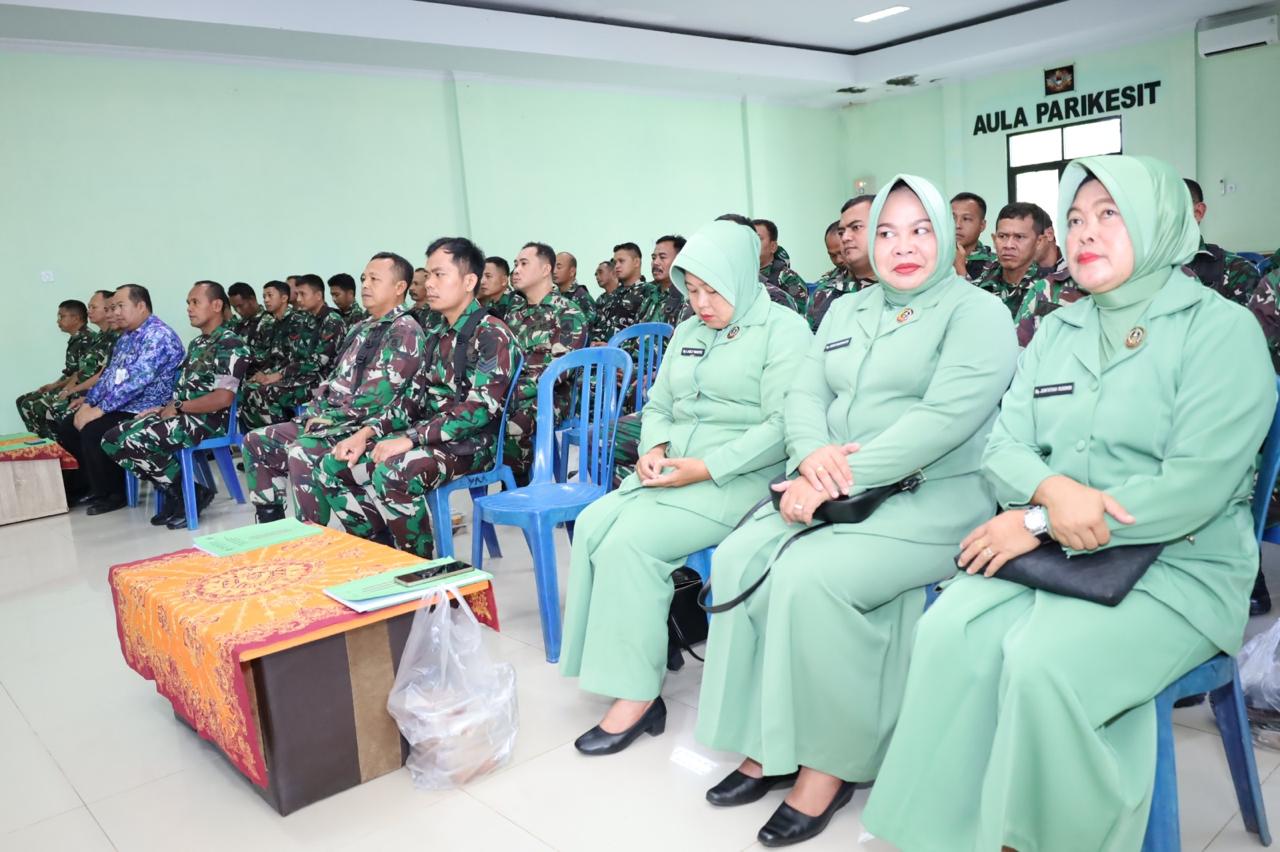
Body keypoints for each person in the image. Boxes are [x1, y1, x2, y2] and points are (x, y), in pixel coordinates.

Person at [861, 155, 1276, 852]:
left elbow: (1194, 488)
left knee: (1044, 662)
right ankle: (951, 833)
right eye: (1076, 218)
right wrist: (1048, 499)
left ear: (1160, 221)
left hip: (1181, 566)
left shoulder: (1221, 331)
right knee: (947, 634)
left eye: (1110, 214)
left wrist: (1035, 516)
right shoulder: (1057, 330)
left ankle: (1039, 837)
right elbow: (1003, 447)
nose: (1086, 231)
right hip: (1054, 554)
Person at [696, 174, 1017, 847]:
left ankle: (831, 763)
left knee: (810, 577)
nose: (903, 246)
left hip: (935, 499)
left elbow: (943, 420)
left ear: (946, 234)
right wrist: (811, 456)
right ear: (867, 241)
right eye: (887, 232)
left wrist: (836, 478)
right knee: (738, 556)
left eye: (920, 229)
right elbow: (804, 396)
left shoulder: (976, 312)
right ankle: (767, 738)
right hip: (834, 487)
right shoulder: (845, 311)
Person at [561, 219, 810, 756]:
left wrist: (707, 467)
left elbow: (783, 425)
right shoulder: (689, 332)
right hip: (676, 468)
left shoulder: (784, 330)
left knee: (632, 541)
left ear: (743, 278)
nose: (700, 303)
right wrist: (652, 449)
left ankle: (637, 696)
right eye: (691, 290)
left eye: (712, 290)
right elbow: (657, 405)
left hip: (739, 478)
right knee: (592, 523)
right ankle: (615, 660)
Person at [316, 238, 516, 557]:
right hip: (432, 437)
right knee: (332, 464)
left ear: (469, 281)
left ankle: (421, 567)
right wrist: (365, 433)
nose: (428, 285)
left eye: (439, 275)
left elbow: (478, 412)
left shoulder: (492, 334)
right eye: (428, 276)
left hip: (475, 442)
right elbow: (410, 401)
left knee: (394, 471)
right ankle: (383, 555)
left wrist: (409, 439)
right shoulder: (436, 333)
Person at [241, 252, 426, 524]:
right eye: (364, 278)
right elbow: (332, 380)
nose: (365, 285)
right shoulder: (361, 328)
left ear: (399, 288)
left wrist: (328, 418)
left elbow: (379, 398)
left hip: (370, 428)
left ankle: (315, 538)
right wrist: (316, 411)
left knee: (302, 451)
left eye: (375, 279)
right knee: (256, 442)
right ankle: (275, 527)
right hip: (332, 422)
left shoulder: (404, 330)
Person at [102, 282, 248, 529]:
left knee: (137, 440)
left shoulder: (230, 344)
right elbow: (185, 389)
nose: (189, 309)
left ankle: (185, 493)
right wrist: (162, 408)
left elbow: (223, 398)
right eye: (188, 303)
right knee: (112, 438)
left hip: (210, 421)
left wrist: (179, 407)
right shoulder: (198, 344)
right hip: (184, 414)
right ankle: (182, 491)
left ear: (216, 305)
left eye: (195, 302)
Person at [56, 285, 183, 514]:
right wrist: (88, 404)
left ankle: (114, 492)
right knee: (68, 426)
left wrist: (100, 410)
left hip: (149, 407)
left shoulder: (158, 335)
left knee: (95, 429)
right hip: (125, 404)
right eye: (112, 308)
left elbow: (136, 381)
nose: (113, 313)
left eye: (119, 307)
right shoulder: (125, 338)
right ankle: (89, 486)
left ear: (141, 306)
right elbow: (109, 376)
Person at [504, 242, 588, 483]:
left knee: (512, 426)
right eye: (515, 264)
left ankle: (519, 491)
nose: (516, 270)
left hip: (551, 397)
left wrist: (508, 394)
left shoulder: (567, 314)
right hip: (512, 395)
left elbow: (558, 373)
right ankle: (506, 488)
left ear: (545, 270)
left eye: (523, 263)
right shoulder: (514, 314)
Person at [238, 277, 334, 431]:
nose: (298, 299)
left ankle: (279, 438)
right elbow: (287, 357)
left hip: (321, 380)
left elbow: (317, 362)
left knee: (268, 391)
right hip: (301, 374)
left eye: (303, 294)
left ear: (318, 295)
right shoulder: (305, 320)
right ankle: (258, 438)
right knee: (248, 388)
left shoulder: (330, 320)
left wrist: (279, 375)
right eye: (298, 294)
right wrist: (267, 374)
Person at [25, 291, 118, 439]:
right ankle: (50, 449)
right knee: (30, 403)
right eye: (89, 307)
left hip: (96, 392)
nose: (89, 312)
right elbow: (79, 371)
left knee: (49, 409)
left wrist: (71, 390)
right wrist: (60, 386)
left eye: (94, 307)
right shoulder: (100, 336)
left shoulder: (112, 337)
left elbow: (102, 375)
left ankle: (60, 453)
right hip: (85, 390)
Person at [16, 299, 98, 438]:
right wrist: (53, 385)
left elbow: (81, 374)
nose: (58, 321)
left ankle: (55, 446)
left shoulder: (87, 339)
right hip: (70, 384)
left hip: (81, 388)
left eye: (62, 316)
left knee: (36, 406)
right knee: (22, 401)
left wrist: (64, 389)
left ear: (76, 318)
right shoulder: (76, 338)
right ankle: (42, 443)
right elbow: (70, 372)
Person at [805, 196, 878, 331]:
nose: (845, 237)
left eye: (856, 227)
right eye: (841, 232)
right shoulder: (825, 293)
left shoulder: (902, 288)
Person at [590, 243, 650, 343]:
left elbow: (643, 334)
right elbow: (599, 326)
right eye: (615, 262)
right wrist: (595, 341)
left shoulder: (647, 292)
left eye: (621, 261)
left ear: (636, 262)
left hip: (628, 356)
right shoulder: (612, 295)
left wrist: (613, 347)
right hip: (601, 355)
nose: (616, 266)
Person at [753, 219, 809, 309]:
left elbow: (799, 313)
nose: (752, 243)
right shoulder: (740, 276)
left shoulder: (789, 279)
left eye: (758, 239)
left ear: (773, 247)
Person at [643, 235, 689, 327]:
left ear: (679, 260)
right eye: (653, 258)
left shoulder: (687, 297)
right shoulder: (649, 296)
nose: (655, 262)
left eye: (662, 257)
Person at [952, 191, 995, 280]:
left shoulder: (995, 264)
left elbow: (982, 294)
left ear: (982, 226)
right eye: (952, 218)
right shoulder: (934, 259)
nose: (957, 225)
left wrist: (960, 269)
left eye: (966, 219)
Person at [555, 250, 595, 324]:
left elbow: (589, 327)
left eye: (559, 267)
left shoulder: (581, 296)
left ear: (572, 271)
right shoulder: (553, 295)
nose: (554, 271)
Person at [477, 256, 520, 322]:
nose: (482, 281)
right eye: (480, 276)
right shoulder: (487, 302)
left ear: (504, 280)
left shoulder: (516, 303)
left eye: (488, 276)